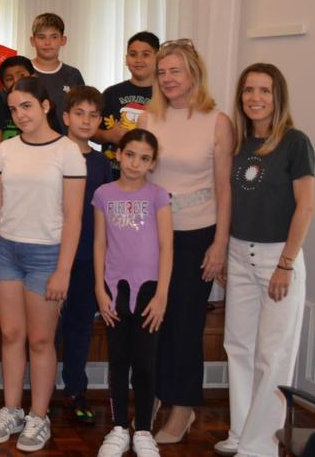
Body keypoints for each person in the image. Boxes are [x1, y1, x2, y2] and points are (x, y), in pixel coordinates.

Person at [0, 76, 85, 452]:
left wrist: (63, 269)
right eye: (13, 109)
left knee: (40, 339)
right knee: (10, 335)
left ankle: (39, 416)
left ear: (46, 106)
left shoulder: (67, 151)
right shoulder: (6, 150)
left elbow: (74, 217)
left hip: (47, 255)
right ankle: (11, 409)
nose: (20, 115)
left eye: (26, 106)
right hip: (6, 252)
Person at [217, 63, 315, 457]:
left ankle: (261, 446)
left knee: (272, 354)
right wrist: (225, 252)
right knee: (238, 346)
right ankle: (241, 432)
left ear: (278, 98)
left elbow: (305, 208)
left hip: (278, 257)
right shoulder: (239, 145)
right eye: (248, 90)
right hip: (239, 254)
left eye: (265, 91)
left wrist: (287, 264)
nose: (255, 98)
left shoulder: (295, 142)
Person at [137, 39, 232, 444]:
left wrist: (220, 245)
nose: (168, 78)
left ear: (194, 74)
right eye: (162, 72)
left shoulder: (217, 121)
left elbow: (226, 189)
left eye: (175, 70)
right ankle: (156, 393)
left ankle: (183, 407)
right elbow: (138, 179)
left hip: (198, 234)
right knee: (150, 320)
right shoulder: (148, 118)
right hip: (152, 234)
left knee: (185, 324)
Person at [93, 128, 172, 457]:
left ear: (152, 163)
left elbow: (168, 247)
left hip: (149, 292)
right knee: (119, 361)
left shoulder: (158, 195)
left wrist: (162, 295)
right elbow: (99, 243)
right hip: (115, 291)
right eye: (129, 155)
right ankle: (118, 428)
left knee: (144, 363)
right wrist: (99, 288)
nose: (135, 163)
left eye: (144, 158)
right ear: (118, 154)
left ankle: (143, 430)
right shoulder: (103, 194)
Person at [58, 86, 115, 425]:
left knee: (79, 327)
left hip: (86, 259)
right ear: (65, 117)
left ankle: (75, 389)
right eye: (79, 113)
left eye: (94, 115)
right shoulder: (53, 154)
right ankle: (33, 393)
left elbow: (105, 215)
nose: (86, 120)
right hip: (49, 254)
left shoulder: (101, 163)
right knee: (44, 329)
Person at [96, 31, 160, 179]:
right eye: (133, 54)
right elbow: (92, 131)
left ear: (157, 58)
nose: (138, 60)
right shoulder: (111, 93)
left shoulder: (164, 95)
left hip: (150, 178)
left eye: (145, 54)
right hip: (112, 175)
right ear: (126, 59)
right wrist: (108, 135)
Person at [29, 13, 85, 121]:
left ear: (63, 40)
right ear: (32, 41)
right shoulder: (24, 71)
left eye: (54, 37)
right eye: (41, 37)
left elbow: (81, 112)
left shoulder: (73, 74)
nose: (47, 43)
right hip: (30, 137)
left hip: (66, 137)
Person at [0, 55, 36, 141]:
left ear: (33, 77)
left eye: (22, 75)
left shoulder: (43, 106)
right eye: (9, 79)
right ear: (4, 87)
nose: (16, 81)